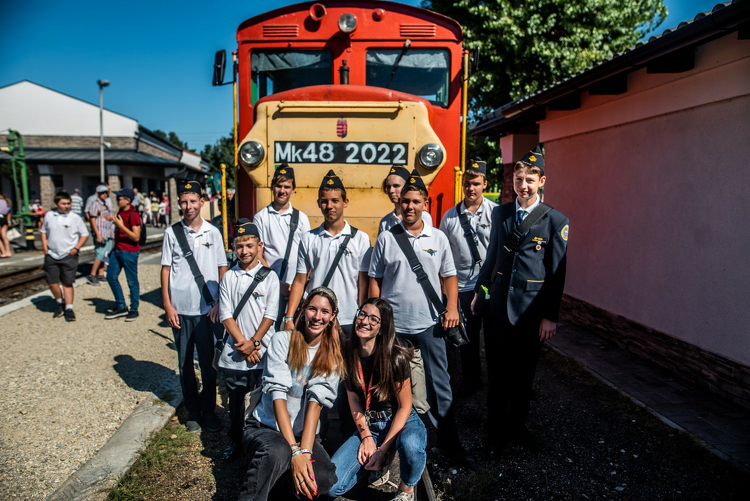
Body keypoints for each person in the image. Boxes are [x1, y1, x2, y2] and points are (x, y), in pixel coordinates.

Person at [368, 170, 473, 466]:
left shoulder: (437, 237)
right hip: (393, 329)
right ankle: (387, 449)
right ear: (399, 204)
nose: (410, 207)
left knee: (441, 387)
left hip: (430, 326)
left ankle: (451, 447)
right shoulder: (387, 238)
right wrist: (376, 316)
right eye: (405, 202)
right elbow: (375, 280)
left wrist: (452, 307)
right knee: (388, 388)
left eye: (416, 201)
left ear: (425, 203)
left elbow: (449, 276)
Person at [472, 146, 568, 455]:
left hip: (530, 312)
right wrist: (480, 292)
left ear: (542, 181)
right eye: (518, 178)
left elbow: (556, 273)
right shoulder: (500, 213)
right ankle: (494, 431)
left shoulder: (555, 221)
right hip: (498, 309)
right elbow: (492, 259)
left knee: (523, 376)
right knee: (497, 375)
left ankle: (517, 427)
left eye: (530, 179)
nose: (523, 185)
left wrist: (550, 316)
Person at [239, 287, 342, 501]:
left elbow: (316, 404)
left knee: (322, 478)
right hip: (266, 427)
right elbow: (278, 397)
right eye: (312, 309)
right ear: (303, 310)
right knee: (278, 452)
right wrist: (294, 453)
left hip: (302, 433)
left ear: (333, 317)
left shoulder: (331, 354)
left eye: (324, 312)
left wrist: (304, 452)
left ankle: (280, 480)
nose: (317, 316)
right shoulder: (282, 340)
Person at [328, 298, 427, 501]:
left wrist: (382, 450)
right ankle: (376, 466)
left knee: (411, 446)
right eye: (362, 314)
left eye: (374, 319)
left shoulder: (395, 357)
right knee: (332, 487)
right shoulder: (348, 351)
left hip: (400, 419)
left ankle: (406, 490)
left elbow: (405, 405)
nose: (365, 321)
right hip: (369, 423)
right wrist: (366, 438)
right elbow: (353, 398)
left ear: (382, 329)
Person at [161, 180, 227, 433]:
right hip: (180, 311)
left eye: (193, 201)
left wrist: (220, 301)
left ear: (202, 202)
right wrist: (167, 304)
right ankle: (193, 411)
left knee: (210, 366)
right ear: (179, 203)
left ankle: (208, 411)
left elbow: (222, 268)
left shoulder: (213, 233)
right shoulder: (172, 233)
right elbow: (166, 269)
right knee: (185, 364)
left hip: (206, 311)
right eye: (184, 201)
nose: (188, 206)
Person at [218, 218, 280, 460]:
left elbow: (270, 315)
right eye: (239, 246)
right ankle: (235, 440)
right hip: (235, 353)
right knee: (235, 402)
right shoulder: (229, 277)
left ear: (259, 246)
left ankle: (255, 443)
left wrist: (254, 342)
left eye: (249, 245)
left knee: (259, 402)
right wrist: (245, 345)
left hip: (262, 353)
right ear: (234, 246)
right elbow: (225, 315)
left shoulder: (269, 277)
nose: (244, 251)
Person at [285, 169, 370, 336]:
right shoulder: (308, 238)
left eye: (335, 201)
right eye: (324, 201)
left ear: (345, 202)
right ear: (318, 203)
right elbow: (300, 281)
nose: (329, 206)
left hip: (348, 319)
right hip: (315, 319)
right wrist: (288, 318)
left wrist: (363, 317)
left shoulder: (361, 239)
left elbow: (363, 284)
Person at [439, 158, 498, 396]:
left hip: (489, 287)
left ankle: (497, 380)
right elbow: (442, 256)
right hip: (462, 287)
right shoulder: (450, 217)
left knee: (494, 337)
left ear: (485, 183)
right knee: (467, 338)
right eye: (466, 184)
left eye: (475, 183)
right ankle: (471, 379)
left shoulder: (496, 213)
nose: (470, 188)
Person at [253, 163, 311, 330]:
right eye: (279, 186)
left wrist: (300, 284)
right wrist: (279, 284)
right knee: (270, 332)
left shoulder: (301, 218)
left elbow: (308, 254)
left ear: (293, 189)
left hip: (298, 287)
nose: (282, 190)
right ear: (272, 187)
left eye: (287, 186)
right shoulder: (261, 217)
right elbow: (258, 255)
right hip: (271, 287)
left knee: (296, 334)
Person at [40, 191, 89, 321]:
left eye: (68, 203)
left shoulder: (75, 218)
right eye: (64, 204)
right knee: (52, 282)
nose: (67, 206)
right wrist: (45, 249)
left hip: (68, 254)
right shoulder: (49, 216)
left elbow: (84, 234)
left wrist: (76, 248)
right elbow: (43, 232)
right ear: (56, 204)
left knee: (67, 282)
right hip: (51, 254)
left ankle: (68, 308)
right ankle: (59, 301)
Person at [104, 188, 142, 322]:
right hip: (117, 250)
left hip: (129, 252)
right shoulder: (121, 212)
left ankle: (134, 309)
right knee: (111, 277)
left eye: (119, 199)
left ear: (128, 200)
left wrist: (120, 226)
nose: (117, 201)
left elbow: (136, 237)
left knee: (132, 281)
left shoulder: (134, 215)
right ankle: (121, 306)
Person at [378, 165, 433, 234]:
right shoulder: (385, 221)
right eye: (388, 187)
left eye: (396, 186)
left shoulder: (423, 216)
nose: (391, 190)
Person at [87, 185, 115, 286]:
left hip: (108, 232)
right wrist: (97, 234)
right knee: (100, 253)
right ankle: (92, 274)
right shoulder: (95, 204)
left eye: (106, 192)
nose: (105, 194)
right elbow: (93, 219)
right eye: (102, 193)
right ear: (98, 194)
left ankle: (101, 273)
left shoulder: (106, 204)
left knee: (105, 254)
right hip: (101, 232)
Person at [0, 193, 13, 258]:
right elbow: (9, 213)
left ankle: (3, 252)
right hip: (4, 219)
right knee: (4, 236)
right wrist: (9, 221)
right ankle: (8, 251)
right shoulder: (7, 203)